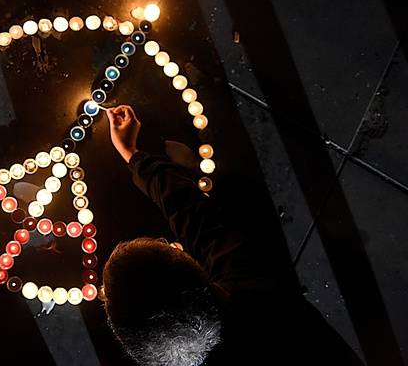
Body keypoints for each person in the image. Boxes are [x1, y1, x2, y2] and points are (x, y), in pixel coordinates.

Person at [102, 105, 365, 366]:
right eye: (174, 249)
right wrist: (133, 154)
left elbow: (194, 218)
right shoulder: (260, 298)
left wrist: (133, 155)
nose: (173, 243)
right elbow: (195, 217)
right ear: (214, 286)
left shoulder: (251, 291)